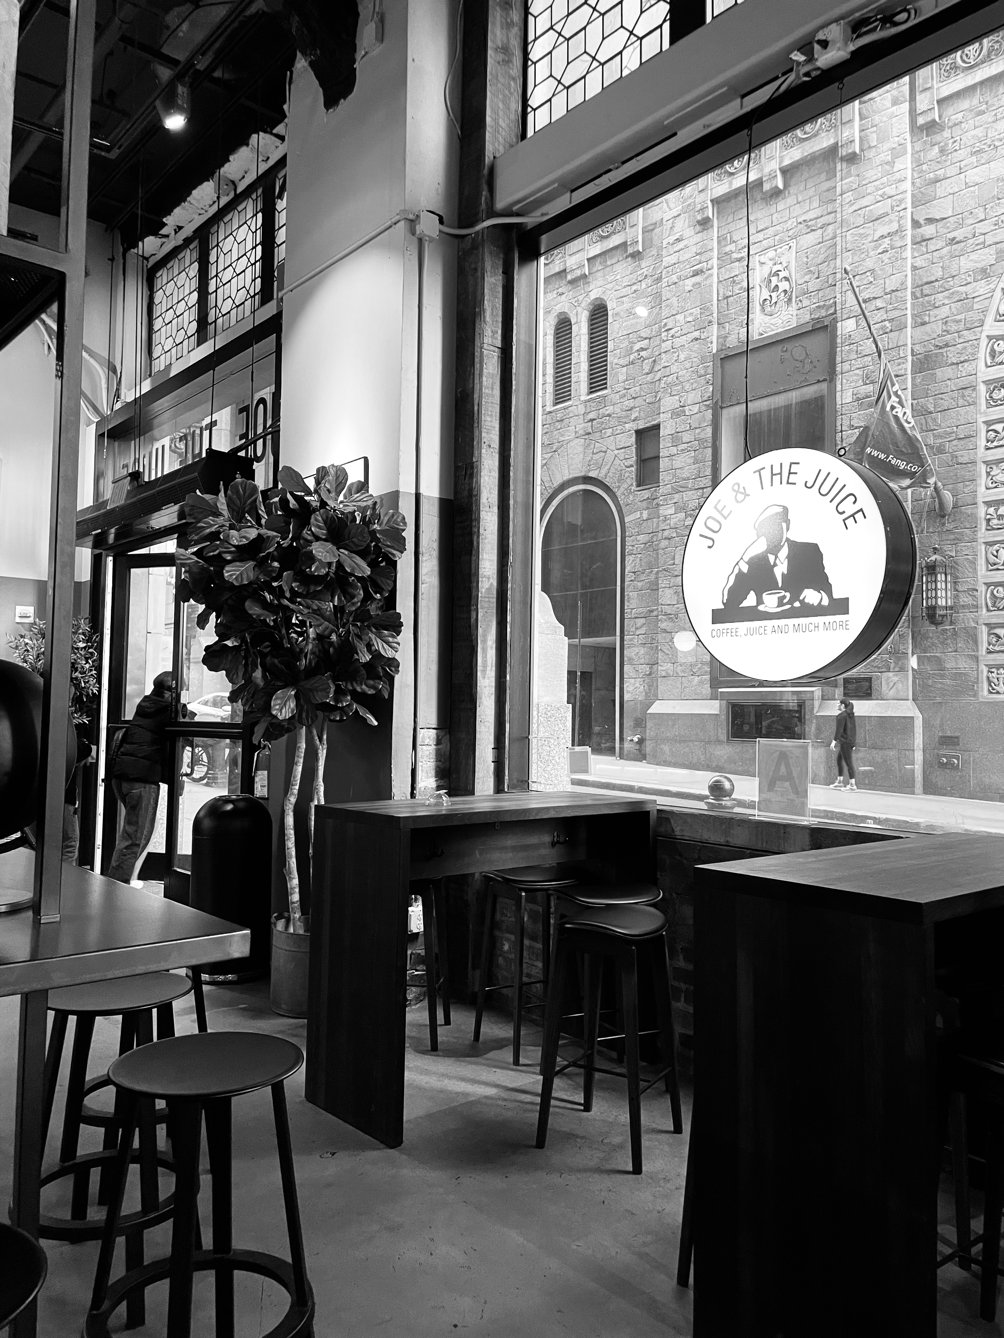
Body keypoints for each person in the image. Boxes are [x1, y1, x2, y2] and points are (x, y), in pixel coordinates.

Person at [106, 671, 174, 885]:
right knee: (135, 838)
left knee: (132, 834)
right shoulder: (168, 711)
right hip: (142, 780)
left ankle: (120, 881)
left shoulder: (145, 705)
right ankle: (117, 886)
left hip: (122, 777)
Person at [722, 503, 833, 614]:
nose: (771, 534)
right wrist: (746, 557)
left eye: (777, 525)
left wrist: (820, 597)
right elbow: (729, 602)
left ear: (787, 525)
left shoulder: (808, 552)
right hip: (766, 623)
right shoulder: (754, 563)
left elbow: (828, 594)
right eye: (764, 530)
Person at [62, 720, 93, 864]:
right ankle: (63, 877)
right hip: (63, 796)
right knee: (69, 845)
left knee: (34, 843)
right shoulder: (60, 725)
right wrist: (85, 744)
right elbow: (79, 749)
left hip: (33, 797)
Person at [830, 698, 857, 791]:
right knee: (839, 760)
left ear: (842, 705)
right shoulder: (850, 714)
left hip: (845, 742)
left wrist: (834, 741)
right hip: (848, 741)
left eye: (838, 703)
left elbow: (839, 730)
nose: (837, 705)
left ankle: (852, 785)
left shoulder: (842, 716)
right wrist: (853, 742)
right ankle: (839, 781)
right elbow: (853, 729)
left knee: (849, 763)